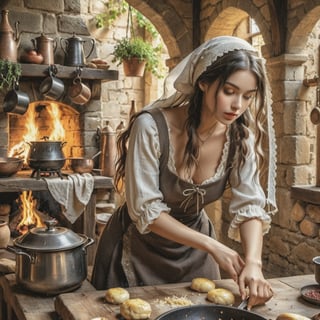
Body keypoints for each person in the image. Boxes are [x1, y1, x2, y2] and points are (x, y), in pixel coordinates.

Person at [91, 35, 278, 310]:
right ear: (203, 82)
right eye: (229, 91)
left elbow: (250, 206)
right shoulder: (151, 127)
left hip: (196, 253)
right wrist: (214, 246)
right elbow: (146, 211)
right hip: (135, 249)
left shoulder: (241, 139)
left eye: (248, 97)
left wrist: (254, 263)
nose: (238, 105)